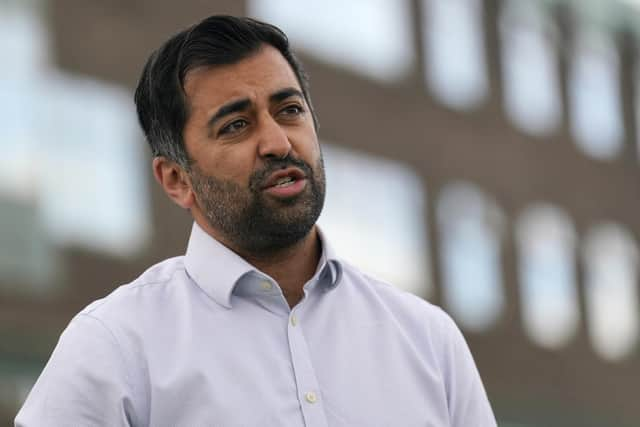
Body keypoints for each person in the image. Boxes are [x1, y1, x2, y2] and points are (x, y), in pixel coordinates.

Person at [15, 15, 497, 427]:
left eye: (289, 110)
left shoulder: (428, 340)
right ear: (176, 179)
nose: (278, 143)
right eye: (236, 125)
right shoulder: (116, 346)